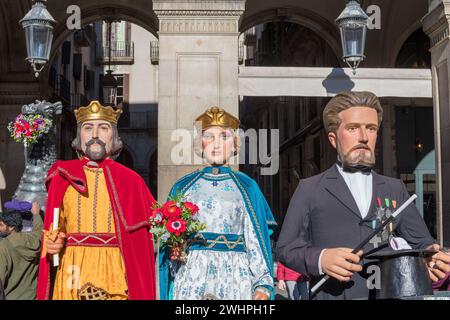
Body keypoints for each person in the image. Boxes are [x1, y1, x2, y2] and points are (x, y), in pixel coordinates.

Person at [276, 91, 450, 300]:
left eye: (371, 128)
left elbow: (422, 243)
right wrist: (321, 258)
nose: (364, 137)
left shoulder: (395, 188)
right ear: (333, 138)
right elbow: (286, 248)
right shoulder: (309, 188)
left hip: (388, 294)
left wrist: (432, 258)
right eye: (352, 128)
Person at [37, 101, 157, 300]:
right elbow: (55, 228)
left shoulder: (132, 181)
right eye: (87, 128)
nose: (95, 135)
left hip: (114, 270)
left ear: (114, 136)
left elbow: (147, 239)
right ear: (79, 136)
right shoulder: (62, 177)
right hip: (72, 270)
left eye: (103, 128)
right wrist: (52, 244)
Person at [159, 107, 276, 300]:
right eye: (208, 136)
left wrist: (262, 283)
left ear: (235, 143)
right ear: (200, 143)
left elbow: (256, 237)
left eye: (224, 136)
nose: (216, 144)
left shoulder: (247, 186)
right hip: (192, 275)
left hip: (235, 277)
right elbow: (169, 240)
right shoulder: (183, 186)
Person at [0, 200, 42, 299]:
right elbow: (40, 229)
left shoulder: (3, 247)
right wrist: (36, 214)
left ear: (11, 227)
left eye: (1, 225)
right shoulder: (35, 238)